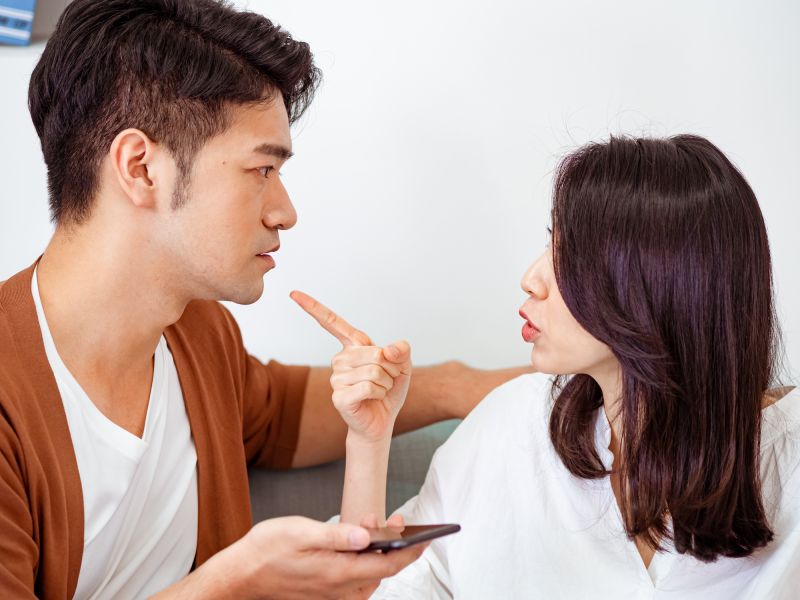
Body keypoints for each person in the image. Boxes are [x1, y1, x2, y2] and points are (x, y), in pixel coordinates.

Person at [0, 1, 530, 598]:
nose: (285, 211)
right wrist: (235, 582)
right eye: (260, 170)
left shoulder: (199, 335)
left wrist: (468, 388)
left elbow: (278, 414)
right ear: (141, 168)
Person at [308, 134, 800, 598]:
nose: (531, 278)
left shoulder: (788, 462)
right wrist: (369, 442)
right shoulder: (512, 427)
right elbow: (378, 590)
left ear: (659, 283)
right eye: (550, 243)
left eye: (568, 255)